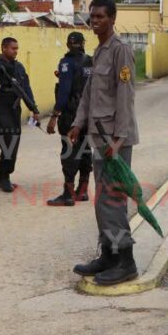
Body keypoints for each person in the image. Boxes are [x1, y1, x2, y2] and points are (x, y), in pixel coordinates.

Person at [67, 0, 141, 286]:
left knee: (113, 198)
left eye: (99, 16)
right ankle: (109, 255)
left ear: (112, 18)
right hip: (100, 137)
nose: (94, 21)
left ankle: (126, 261)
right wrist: (77, 122)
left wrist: (119, 138)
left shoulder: (120, 51)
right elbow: (88, 93)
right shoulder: (99, 52)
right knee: (103, 200)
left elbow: (126, 96)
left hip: (114, 139)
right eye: (92, 16)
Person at [47, 32, 93, 207]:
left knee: (69, 151)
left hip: (71, 113)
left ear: (67, 45)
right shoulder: (90, 61)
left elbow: (65, 91)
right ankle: (83, 191)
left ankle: (68, 194)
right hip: (88, 112)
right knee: (85, 148)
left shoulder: (66, 62)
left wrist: (54, 116)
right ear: (83, 43)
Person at [0, 37, 40, 193]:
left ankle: (1, 175)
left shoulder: (19, 67)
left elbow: (26, 88)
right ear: (4, 48)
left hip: (14, 108)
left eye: (17, 48)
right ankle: (5, 177)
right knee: (8, 140)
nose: (16, 51)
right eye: (13, 48)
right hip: (0, 106)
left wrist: (34, 109)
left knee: (14, 141)